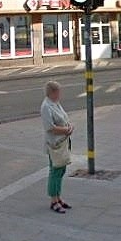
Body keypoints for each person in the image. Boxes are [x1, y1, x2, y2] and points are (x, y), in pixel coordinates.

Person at [41, 80, 73, 214]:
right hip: (55, 144)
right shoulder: (46, 107)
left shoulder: (55, 103)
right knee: (55, 170)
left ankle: (59, 197)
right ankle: (53, 201)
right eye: (58, 92)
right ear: (52, 93)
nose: (60, 94)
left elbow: (64, 117)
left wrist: (69, 126)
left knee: (61, 170)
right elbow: (50, 128)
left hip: (63, 141)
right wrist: (66, 130)